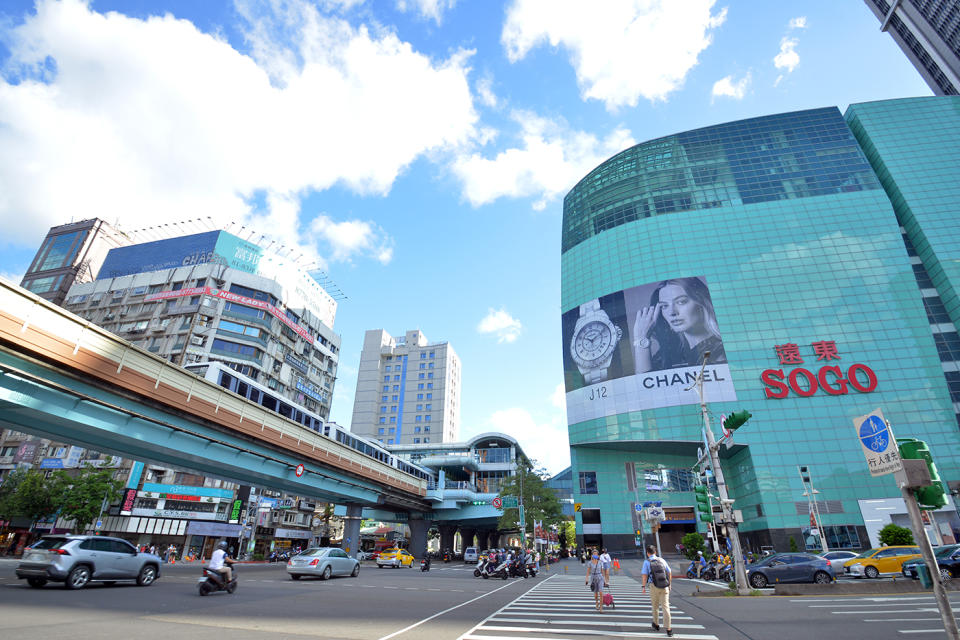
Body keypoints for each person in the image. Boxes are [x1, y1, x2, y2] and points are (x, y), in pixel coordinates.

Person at [633, 277, 727, 373]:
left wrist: (641, 341)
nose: (672, 312)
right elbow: (644, 384)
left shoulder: (720, 353)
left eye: (681, 302)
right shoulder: (672, 351)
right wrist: (641, 338)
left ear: (701, 302)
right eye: (664, 306)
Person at [641, 545, 672, 637]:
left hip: (653, 586)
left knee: (655, 606)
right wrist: (669, 584)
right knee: (665, 607)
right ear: (655, 552)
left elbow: (644, 575)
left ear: (647, 553)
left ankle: (656, 624)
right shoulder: (662, 560)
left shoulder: (646, 562)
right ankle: (669, 629)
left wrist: (643, 586)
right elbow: (669, 571)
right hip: (664, 586)